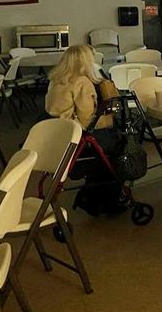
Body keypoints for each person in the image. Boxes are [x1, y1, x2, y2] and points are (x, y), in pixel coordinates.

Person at [45, 44, 120, 214]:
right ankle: (105, 199)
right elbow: (88, 119)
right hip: (77, 135)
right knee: (115, 145)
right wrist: (109, 119)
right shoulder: (82, 82)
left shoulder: (56, 79)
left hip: (56, 132)